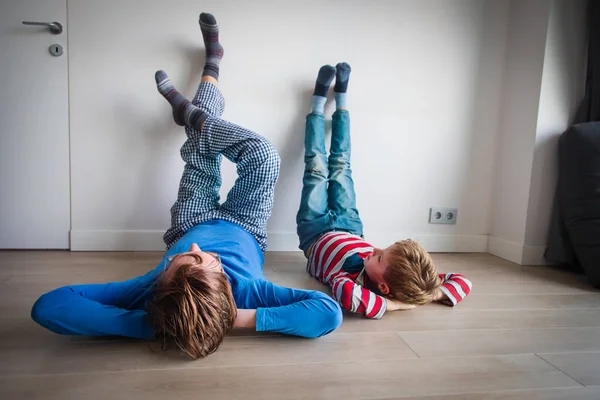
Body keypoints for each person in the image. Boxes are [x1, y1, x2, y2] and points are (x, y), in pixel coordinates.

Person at [30, 13, 342, 359]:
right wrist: (237, 318)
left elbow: (50, 307)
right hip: (247, 225)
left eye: (180, 259)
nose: (194, 247)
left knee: (199, 144)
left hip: (191, 217)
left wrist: (154, 323)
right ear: (224, 282)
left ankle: (207, 81)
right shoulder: (249, 293)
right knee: (263, 154)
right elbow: (327, 312)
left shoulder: (149, 291)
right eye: (202, 258)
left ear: (161, 284)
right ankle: (200, 101)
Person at [296, 63, 473, 319]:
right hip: (349, 226)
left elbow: (347, 296)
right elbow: (463, 281)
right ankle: (342, 101)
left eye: (379, 259)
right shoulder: (409, 278)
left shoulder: (349, 281)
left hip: (315, 232)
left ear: (382, 287)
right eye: (384, 250)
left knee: (316, 164)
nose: (374, 250)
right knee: (341, 164)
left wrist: (396, 305)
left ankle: (317, 104)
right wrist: (428, 295)